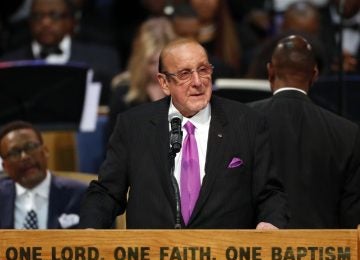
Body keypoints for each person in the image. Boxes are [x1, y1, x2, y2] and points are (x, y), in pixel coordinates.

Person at [79, 38, 289, 230]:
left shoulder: (247, 122)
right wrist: (90, 228)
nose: (198, 81)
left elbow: (269, 192)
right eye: (185, 74)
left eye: (203, 70)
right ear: (164, 83)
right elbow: (107, 192)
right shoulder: (134, 125)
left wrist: (270, 222)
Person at [248, 35, 360, 228]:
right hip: (323, 254)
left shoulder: (242, 119)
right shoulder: (348, 133)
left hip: (256, 253)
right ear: (315, 74)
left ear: (270, 71)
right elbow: (352, 218)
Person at [0, 0, 120, 105]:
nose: (45, 23)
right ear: (29, 22)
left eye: (55, 15)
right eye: (37, 16)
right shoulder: (8, 62)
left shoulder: (104, 59)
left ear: (73, 22)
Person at [0, 120, 87, 229]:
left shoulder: (82, 195)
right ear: (5, 166)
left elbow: (103, 241)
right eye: (14, 153)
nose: (25, 157)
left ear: (45, 151)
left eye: (30, 147)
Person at [108, 17, 177, 138]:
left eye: (163, 61)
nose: (158, 69)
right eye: (152, 62)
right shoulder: (124, 94)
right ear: (141, 62)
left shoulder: (185, 91)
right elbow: (114, 147)